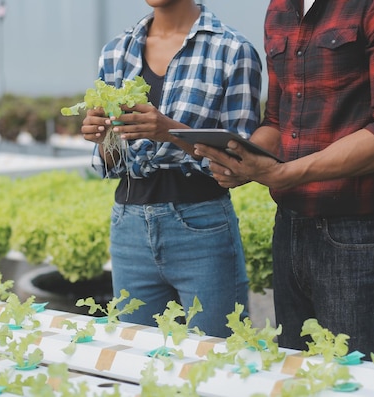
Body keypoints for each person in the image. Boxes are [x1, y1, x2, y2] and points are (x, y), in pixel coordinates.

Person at [195, 0, 374, 362]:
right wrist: (242, 159)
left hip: (360, 237)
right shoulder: (281, 7)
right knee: (297, 375)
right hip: (290, 229)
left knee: (357, 381)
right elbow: (277, 121)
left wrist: (281, 173)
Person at [80, 0, 262, 338]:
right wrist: (102, 136)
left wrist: (169, 131)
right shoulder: (116, 51)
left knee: (216, 358)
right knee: (138, 361)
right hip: (129, 227)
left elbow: (240, 163)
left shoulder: (233, 51)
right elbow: (112, 159)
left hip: (201, 228)